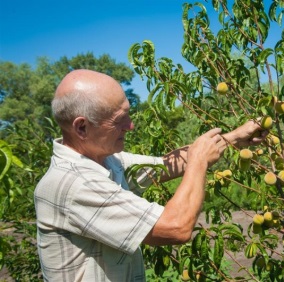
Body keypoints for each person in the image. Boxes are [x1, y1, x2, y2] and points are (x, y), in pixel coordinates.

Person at [34, 69, 267, 281]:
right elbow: (176, 227)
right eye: (119, 119)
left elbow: (166, 164)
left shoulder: (106, 161)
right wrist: (199, 161)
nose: (130, 125)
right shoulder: (76, 184)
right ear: (82, 127)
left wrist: (235, 137)